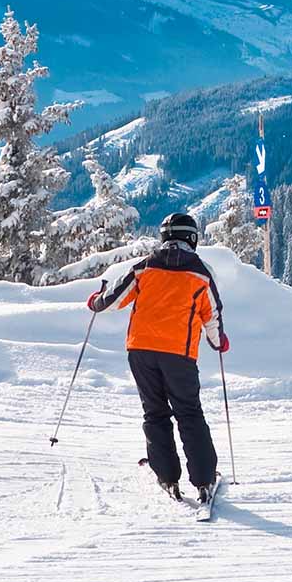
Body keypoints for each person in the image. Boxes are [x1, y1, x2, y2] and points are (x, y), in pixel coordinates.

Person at [87, 211, 229, 503]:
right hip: (179, 353)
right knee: (189, 413)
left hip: (140, 351)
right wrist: (218, 342)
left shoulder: (146, 267)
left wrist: (96, 302)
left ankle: (167, 476)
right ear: (192, 238)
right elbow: (211, 315)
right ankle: (203, 480)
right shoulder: (200, 274)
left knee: (155, 412)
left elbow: (113, 299)